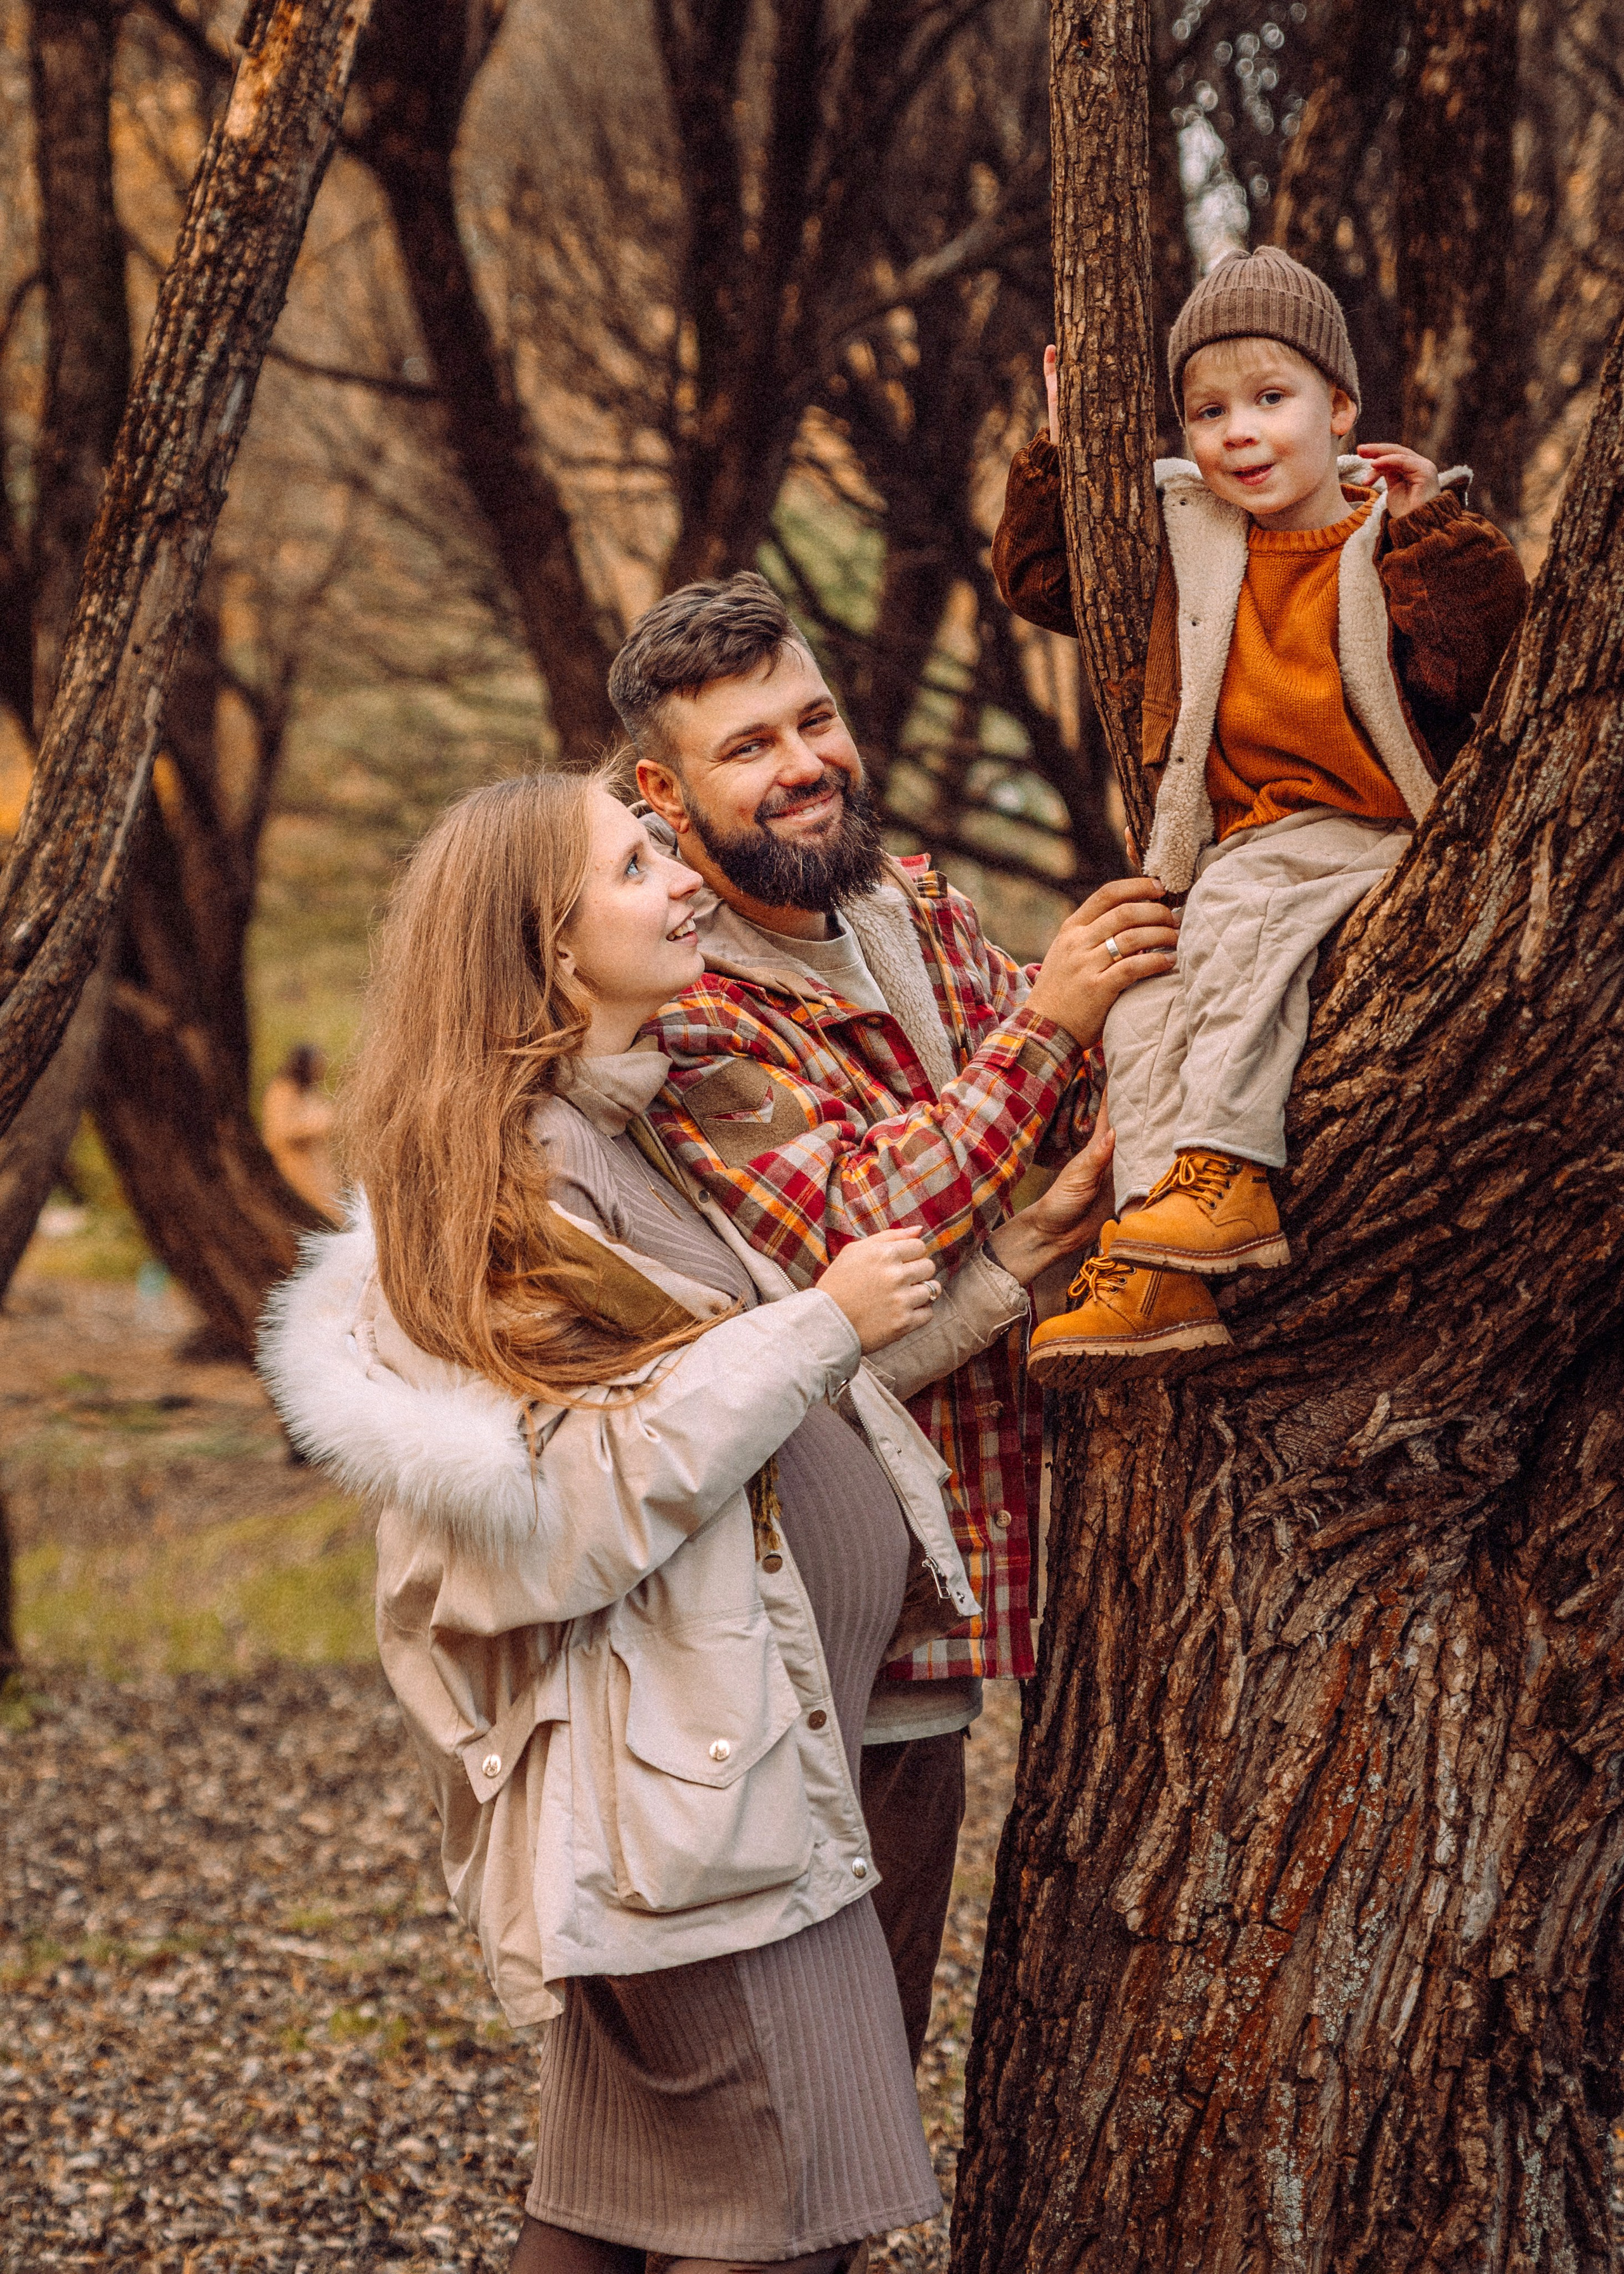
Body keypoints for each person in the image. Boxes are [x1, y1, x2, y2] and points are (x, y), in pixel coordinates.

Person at [258, 769, 1116, 2274]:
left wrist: (1001, 1271)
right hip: (688, 1794)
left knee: (604, 2211)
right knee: (779, 2216)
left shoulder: (628, 1129)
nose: (685, 885)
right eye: (636, 864)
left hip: (721, 1759)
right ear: (546, 939)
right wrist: (815, 1324)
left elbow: (760, 1411)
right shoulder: (523, 1175)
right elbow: (567, 1503)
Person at [611, 573, 1181, 2063]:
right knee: (764, 2108)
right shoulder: (672, 1000)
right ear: (665, 792)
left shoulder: (906, 906)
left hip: (934, 1621)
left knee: (853, 2079)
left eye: (813, 718)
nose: (804, 762)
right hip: (780, 1638)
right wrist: (1045, 1026)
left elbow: (1055, 1108)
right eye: (749, 747)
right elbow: (851, 1220)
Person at [990, 246, 1529, 1378]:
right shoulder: (1195, 540)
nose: (1238, 432)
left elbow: (1489, 660)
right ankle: (1158, 1265)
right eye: (1207, 410)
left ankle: (1227, 1173)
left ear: (1340, 409)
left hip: (1376, 833)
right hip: (1253, 847)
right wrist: (1063, 448)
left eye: (1271, 400)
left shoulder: (1391, 538)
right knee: (1144, 1000)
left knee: (1233, 905)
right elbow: (1051, 582)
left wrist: (1433, 526)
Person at [261, 1043, 340, 1219]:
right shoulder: (282, 1090)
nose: (320, 1070)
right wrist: (317, 1125)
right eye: (317, 1064)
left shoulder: (310, 1092)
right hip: (294, 1163)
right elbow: (278, 1132)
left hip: (317, 1162)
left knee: (334, 1210)